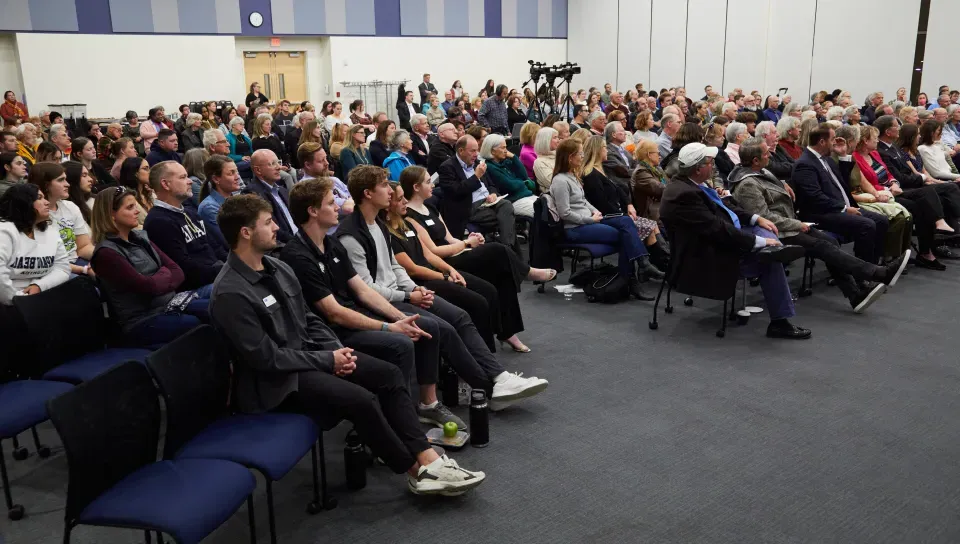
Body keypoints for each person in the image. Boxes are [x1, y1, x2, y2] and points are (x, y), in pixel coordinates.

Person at [211, 194, 485, 495]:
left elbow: (309, 318)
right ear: (245, 233)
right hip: (278, 382)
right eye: (268, 222)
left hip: (311, 356)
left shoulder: (276, 267)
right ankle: (417, 471)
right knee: (361, 399)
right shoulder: (230, 293)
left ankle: (428, 456)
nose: (277, 226)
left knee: (389, 374)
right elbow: (267, 359)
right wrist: (329, 360)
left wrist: (335, 350)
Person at [337, 165, 548, 409]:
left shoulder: (379, 225)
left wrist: (413, 290)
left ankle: (499, 376)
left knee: (461, 315)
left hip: (401, 293)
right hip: (383, 302)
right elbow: (367, 290)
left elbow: (395, 268)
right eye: (384, 186)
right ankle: (488, 388)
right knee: (445, 328)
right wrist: (408, 294)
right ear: (367, 194)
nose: (391, 191)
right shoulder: (351, 235)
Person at [730, 138, 909, 312]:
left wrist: (783, 184)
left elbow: (769, 187)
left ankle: (856, 294)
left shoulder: (760, 172)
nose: (770, 155)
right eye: (766, 153)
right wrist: (797, 223)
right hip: (776, 232)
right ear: (755, 160)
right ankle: (878, 274)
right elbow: (765, 218)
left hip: (788, 223)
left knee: (829, 242)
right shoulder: (747, 184)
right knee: (823, 244)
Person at [659, 143, 811, 339]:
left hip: (725, 235)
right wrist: (759, 242)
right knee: (769, 262)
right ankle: (779, 322)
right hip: (707, 255)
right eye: (710, 162)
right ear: (698, 168)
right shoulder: (685, 195)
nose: (713, 165)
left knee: (763, 229)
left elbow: (726, 208)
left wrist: (756, 218)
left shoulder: (692, 183)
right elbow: (718, 230)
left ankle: (773, 248)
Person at [90, 186, 208, 345]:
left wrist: (156, 279)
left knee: (215, 307)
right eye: (130, 207)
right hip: (141, 320)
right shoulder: (106, 253)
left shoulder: (140, 237)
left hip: (169, 303)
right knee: (194, 322)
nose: (137, 211)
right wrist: (163, 275)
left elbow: (178, 271)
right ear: (111, 215)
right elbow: (147, 288)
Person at [550, 138, 651, 299]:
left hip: (589, 220)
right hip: (575, 228)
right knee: (625, 236)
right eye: (580, 153)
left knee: (625, 221)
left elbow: (583, 202)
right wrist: (592, 219)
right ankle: (632, 277)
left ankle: (638, 268)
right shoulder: (560, 181)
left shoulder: (572, 175)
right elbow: (565, 213)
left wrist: (596, 213)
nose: (583, 156)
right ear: (570, 157)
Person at [792, 124, 889, 265]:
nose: (835, 143)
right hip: (821, 213)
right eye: (833, 140)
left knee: (881, 220)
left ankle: (874, 264)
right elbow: (815, 197)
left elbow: (843, 183)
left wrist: (843, 156)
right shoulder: (805, 164)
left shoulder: (826, 159)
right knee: (866, 225)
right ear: (822, 142)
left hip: (839, 207)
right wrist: (843, 208)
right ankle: (863, 272)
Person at [581, 136, 669, 275]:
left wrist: (628, 204)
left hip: (616, 214)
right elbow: (601, 203)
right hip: (605, 217)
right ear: (597, 150)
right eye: (604, 148)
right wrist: (622, 213)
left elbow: (619, 190)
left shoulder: (601, 170)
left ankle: (660, 264)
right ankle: (654, 265)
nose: (607, 151)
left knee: (651, 226)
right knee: (646, 226)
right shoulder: (591, 175)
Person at [144, 161, 225, 295]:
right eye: (182, 177)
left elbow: (215, 246)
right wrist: (224, 271)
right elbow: (184, 267)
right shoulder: (158, 221)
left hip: (216, 275)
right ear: (165, 184)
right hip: (194, 288)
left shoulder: (190, 212)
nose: (190, 182)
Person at [437, 135, 519, 252]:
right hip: (468, 206)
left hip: (488, 203)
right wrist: (476, 177)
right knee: (506, 219)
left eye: (477, 150)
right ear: (461, 151)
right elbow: (456, 191)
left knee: (506, 205)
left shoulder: (477, 163)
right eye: (473, 151)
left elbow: (491, 185)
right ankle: (510, 251)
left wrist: (493, 194)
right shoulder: (447, 167)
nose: (476, 154)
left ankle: (507, 248)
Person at [0, 183, 70, 307]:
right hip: (9, 302)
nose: (47, 202)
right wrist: (20, 300)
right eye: (39, 198)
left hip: (42, 294)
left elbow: (63, 268)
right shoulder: (5, 231)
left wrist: (39, 286)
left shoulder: (50, 230)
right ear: (23, 203)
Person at [29, 162, 95, 278]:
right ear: (46, 185)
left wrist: (107, 257)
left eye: (66, 179)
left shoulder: (70, 207)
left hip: (77, 261)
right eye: (61, 180)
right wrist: (83, 270)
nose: (68, 184)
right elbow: (46, 261)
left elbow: (83, 247)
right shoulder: (36, 214)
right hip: (51, 270)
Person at [242, 149, 297, 243]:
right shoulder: (252, 195)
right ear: (258, 170)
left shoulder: (282, 190)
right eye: (272, 164)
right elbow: (272, 229)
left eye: (278, 163)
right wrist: (298, 242)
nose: (279, 167)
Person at [480, 134, 537, 217]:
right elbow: (511, 185)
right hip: (514, 200)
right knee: (541, 214)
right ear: (492, 151)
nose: (506, 151)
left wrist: (514, 157)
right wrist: (523, 182)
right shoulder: (489, 167)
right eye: (503, 148)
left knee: (549, 209)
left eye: (506, 147)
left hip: (526, 196)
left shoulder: (505, 162)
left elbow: (524, 176)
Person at [117, 156, 153, 228]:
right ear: (135, 173)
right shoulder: (126, 198)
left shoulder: (149, 192)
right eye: (145, 169)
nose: (150, 172)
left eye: (149, 168)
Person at [532, 126, 559, 194]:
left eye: (558, 137)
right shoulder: (539, 162)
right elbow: (552, 183)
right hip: (554, 196)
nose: (558, 140)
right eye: (555, 137)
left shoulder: (559, 156)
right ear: (546, 140)